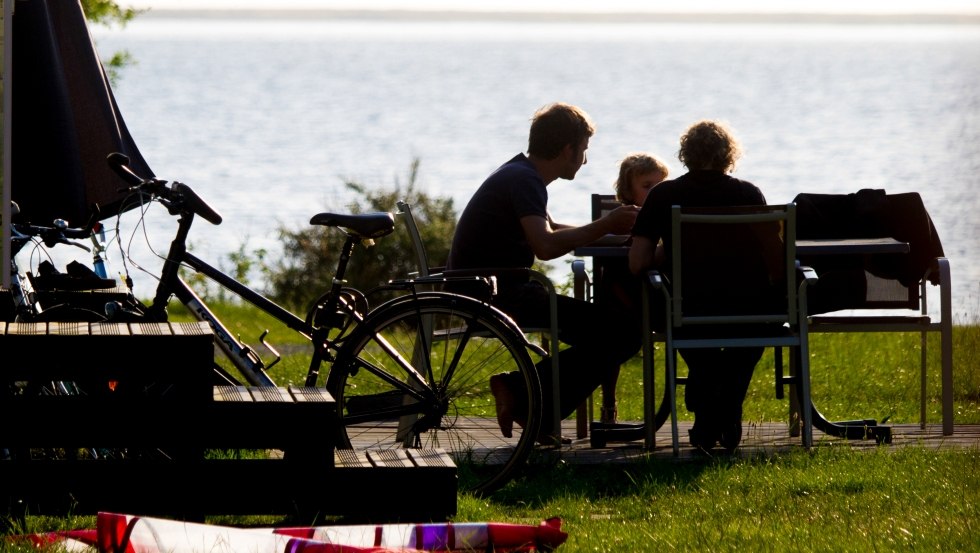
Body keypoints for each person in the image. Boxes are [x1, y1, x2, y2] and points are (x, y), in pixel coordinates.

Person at [446, 102, 643, 443]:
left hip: (486, 287)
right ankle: (520, 393)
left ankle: (532, 407)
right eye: (583, 150)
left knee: (610, 333)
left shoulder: (519, 173)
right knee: (623, 333)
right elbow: (546, 245)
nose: (584, 160)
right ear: (567, 149)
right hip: (496, 295)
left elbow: (550, 228)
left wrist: (615, 235)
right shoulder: (526, 180)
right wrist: (605, 225)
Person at [628, 119, 767, 453]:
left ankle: (709, 407)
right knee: (758, 332)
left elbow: (637, 263)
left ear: (685, 154)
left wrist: (670, 250)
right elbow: (768, 258)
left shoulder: (664, 195)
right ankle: (726, 407)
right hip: (746, 311)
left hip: (686, 309)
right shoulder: (749, 194)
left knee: (691, 338)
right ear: (728, 155)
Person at [591, 152, 670, 423]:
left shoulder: (668, 217)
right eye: (647, 187)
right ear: (627, 191)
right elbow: (607, 244)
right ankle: (608, 401)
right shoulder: (623, 218)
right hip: (621, 296)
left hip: (656, 295)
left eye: (660, 186)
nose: (655, 193)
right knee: (610, 321)